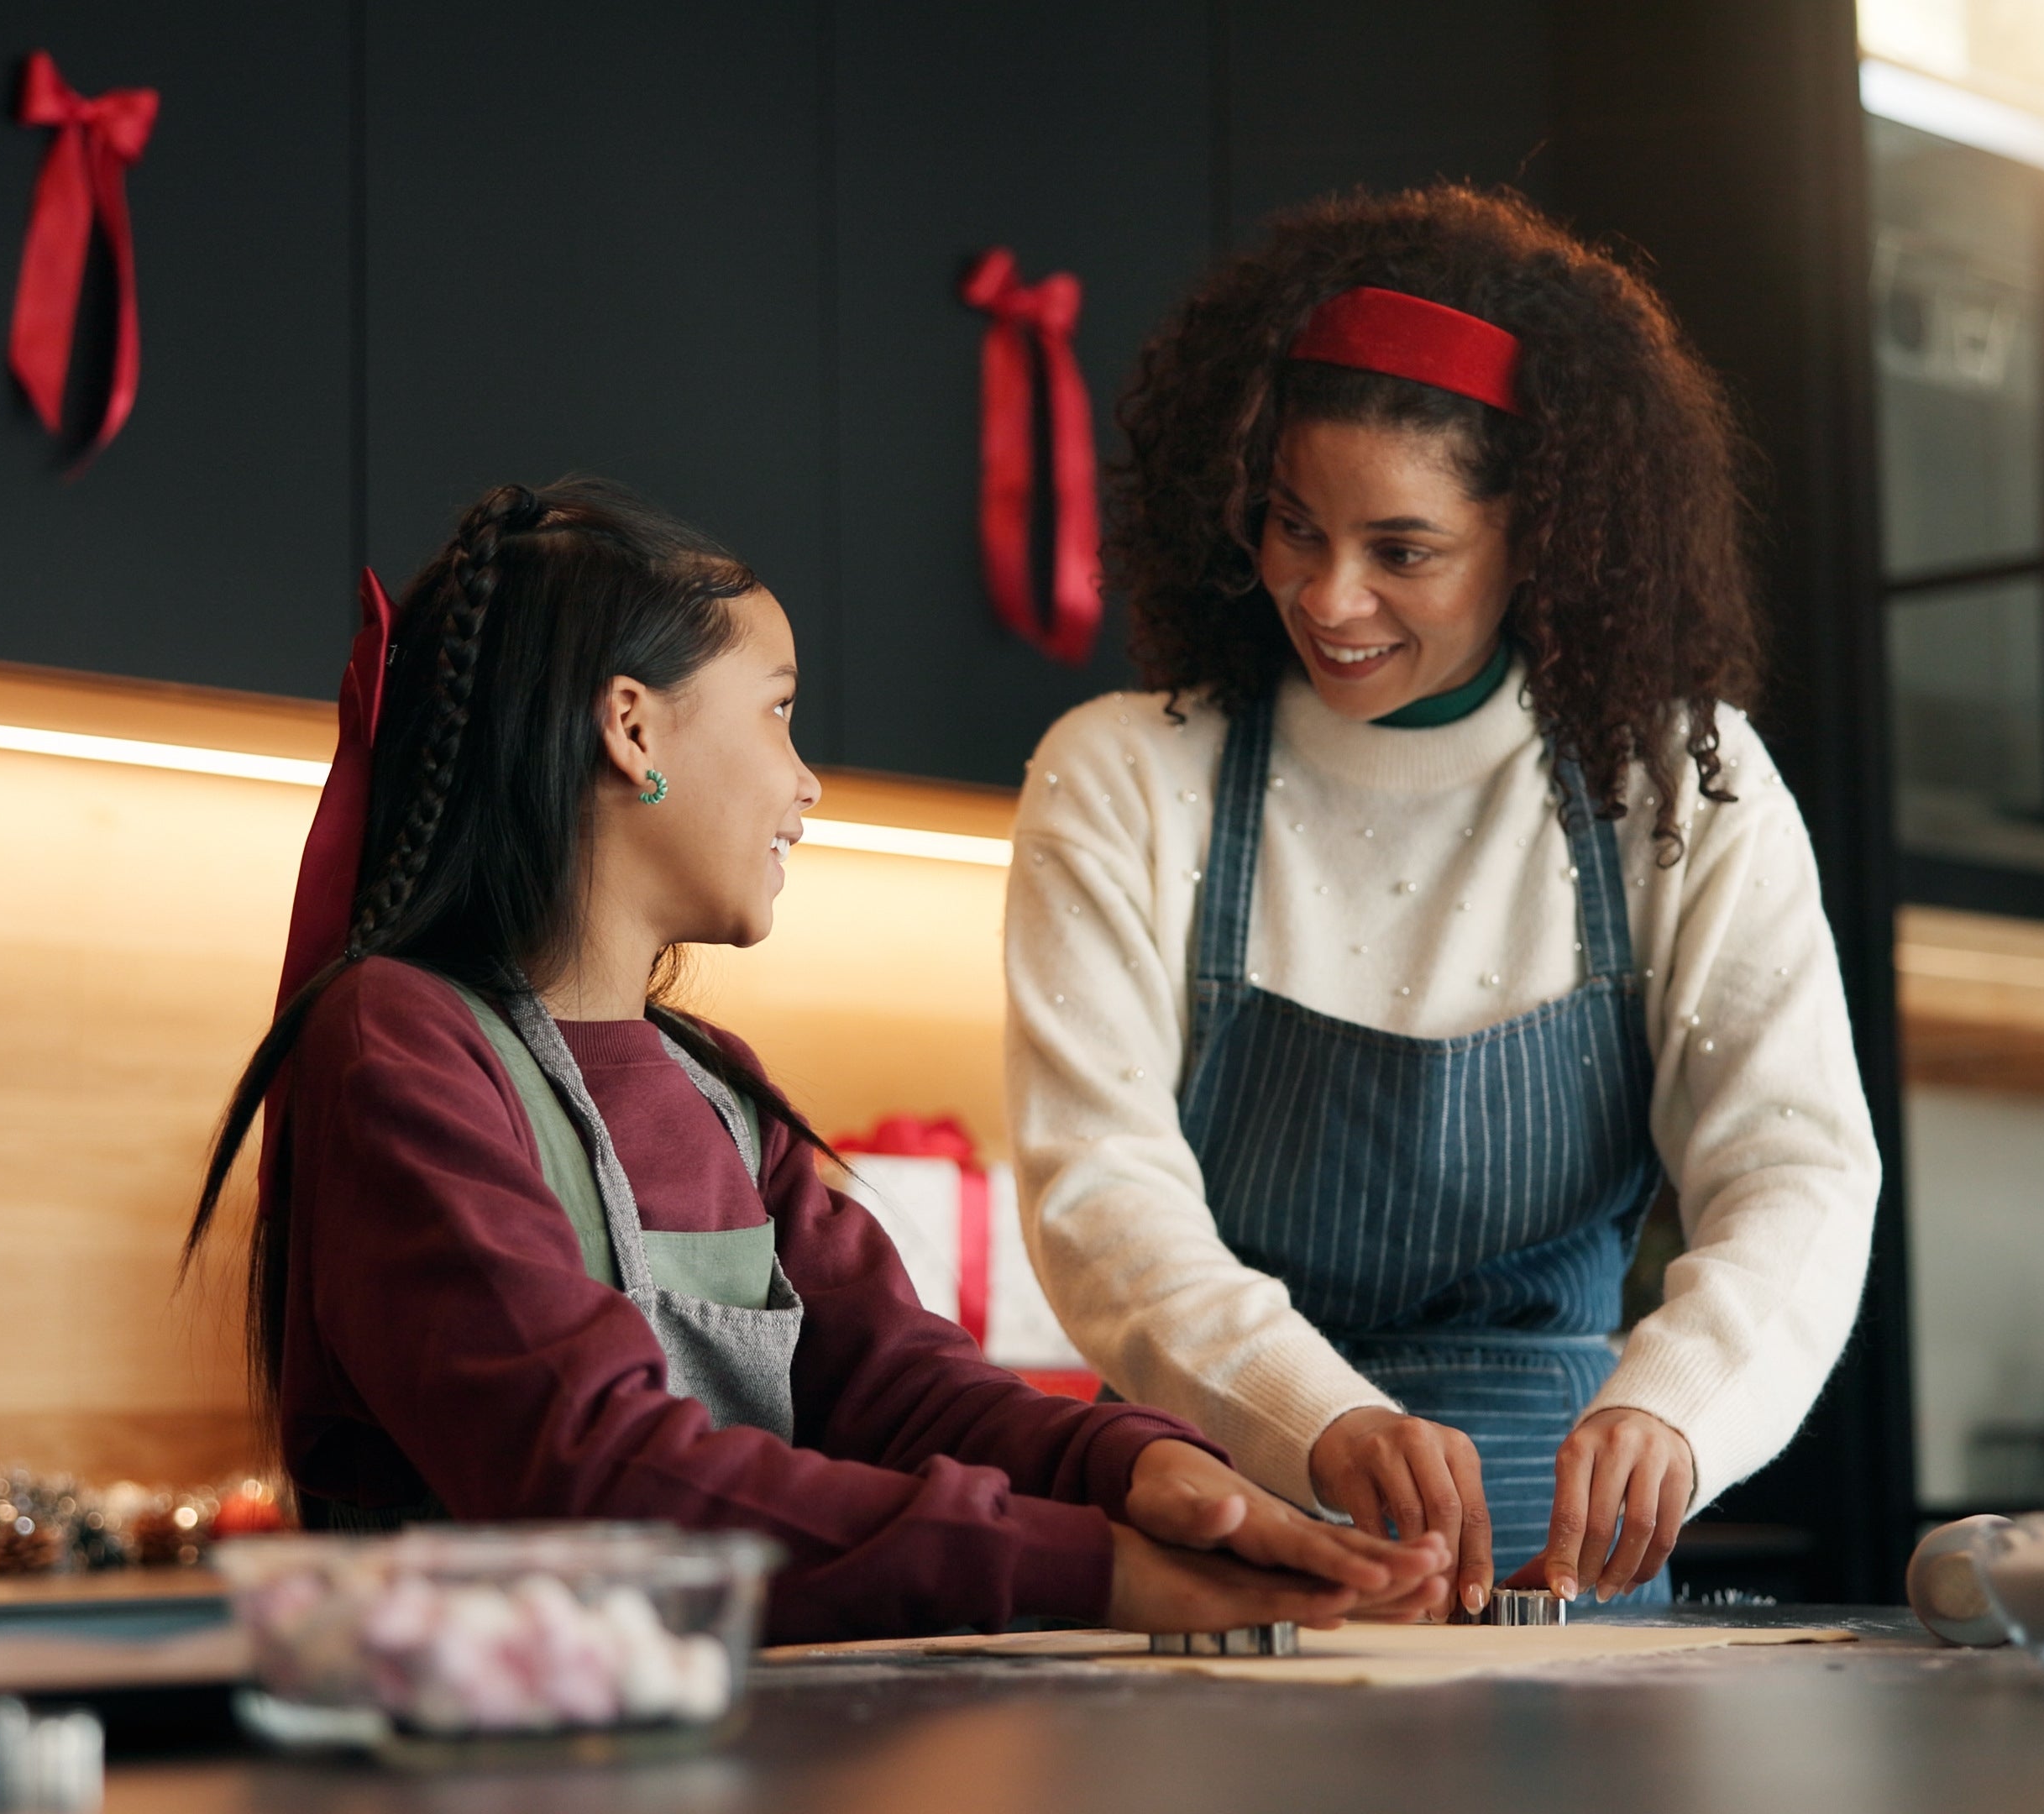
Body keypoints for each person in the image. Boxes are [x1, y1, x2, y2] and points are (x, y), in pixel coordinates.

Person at [181, 479, 1446, 1642]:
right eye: (780, 713)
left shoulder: (718, 1093)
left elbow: (901, 1390)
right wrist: (1091, 1567)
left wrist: (1129, 1468)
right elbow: (592, 1478)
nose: (807, 783)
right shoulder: (401, 1040)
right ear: (631, 728)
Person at [1004, 187, 1879, 1619]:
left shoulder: (1677, 781)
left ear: (1540, 538)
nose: (1328, 597)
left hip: (1566, 1563)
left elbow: (1797, 1168)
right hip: (1231, 1528)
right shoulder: (1122, 776)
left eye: (1401, 552)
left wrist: (1678, 1407)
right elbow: (1100, 1191)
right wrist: (1317, 1419)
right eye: (1293, 527)